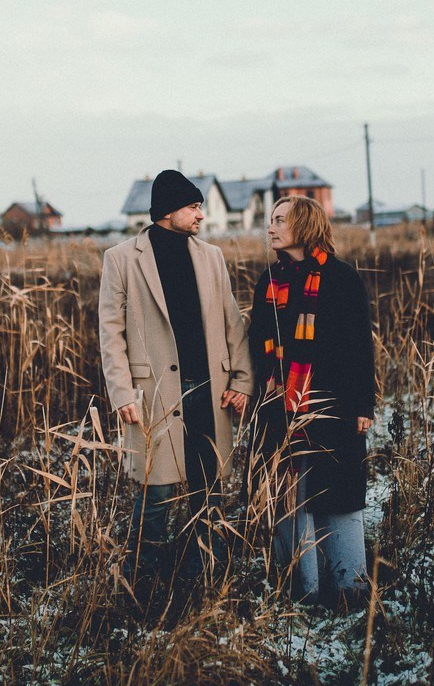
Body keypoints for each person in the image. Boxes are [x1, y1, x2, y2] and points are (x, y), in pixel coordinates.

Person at [98, 170, 254, 586]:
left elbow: (232, 323)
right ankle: (141, 579)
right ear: (168, 211)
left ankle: (205, 575)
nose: (200, 215)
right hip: (154, 396)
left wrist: (241, 381)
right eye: (193, 207)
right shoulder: (121, 259)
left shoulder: (211, 256)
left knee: (211, 488)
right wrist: (121, 394)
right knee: (157, 491)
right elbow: (110, 332)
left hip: (211, 392)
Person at [246, 195, 376, 607]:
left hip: (331, 406)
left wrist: (361, 406)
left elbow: (359, 347)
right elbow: (257, 343)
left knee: (335, 492)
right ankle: (301, 588)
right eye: (270, 220)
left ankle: (347, 587)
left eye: (279, 220)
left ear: (303, 225)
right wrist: (264, 383)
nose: (270, 227)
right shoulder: (268, 282)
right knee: (289, 495)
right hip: (279, 409)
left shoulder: (341, 278)